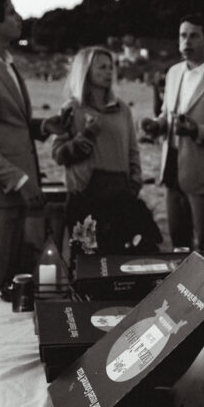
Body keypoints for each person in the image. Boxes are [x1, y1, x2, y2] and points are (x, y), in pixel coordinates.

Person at [0, 0, 50, 324]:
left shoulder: (5, 63)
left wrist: (47, 126)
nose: (18, 17)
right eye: (10, 12)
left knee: (8, 283)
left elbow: (11, 124)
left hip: (12, 198)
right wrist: (19, 180)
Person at [141, 14, 204, 258]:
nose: (186, 41)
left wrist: (197, 130)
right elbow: (166, 113)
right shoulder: (174, 72)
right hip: (171, 167)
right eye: (183, 35)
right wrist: (157, 125)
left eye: (194, 35)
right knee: (178, 242)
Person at [50, 47, 159, 253]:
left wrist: (134, 183)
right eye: (102, 67)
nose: (109, 72)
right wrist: (86, 136)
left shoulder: (122, 109)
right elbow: (58, 154)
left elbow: (132, 151)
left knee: (121, 259)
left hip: (120, 197)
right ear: (86, 72)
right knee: (86, 262)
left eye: (111, 67)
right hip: (85, 198)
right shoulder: (72, 109)